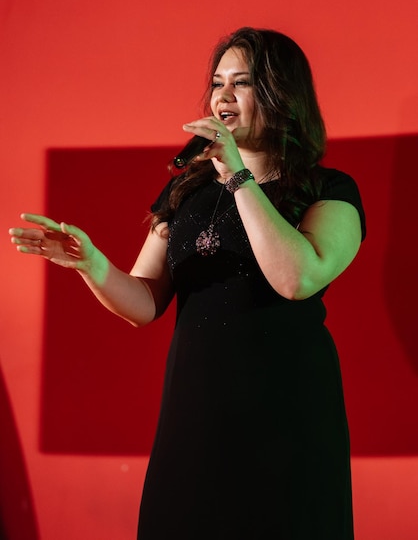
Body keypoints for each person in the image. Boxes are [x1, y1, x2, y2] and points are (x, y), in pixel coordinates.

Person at [10, 27, 365, 539]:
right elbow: (145, 301)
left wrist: (238, 174)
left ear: (281, 95)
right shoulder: (187, 188)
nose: (223, 95)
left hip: (287, 415)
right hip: (194, 412)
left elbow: (297, 278)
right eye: (218, 82)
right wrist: (91, 264)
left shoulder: (329, 190)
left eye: (242, 82)